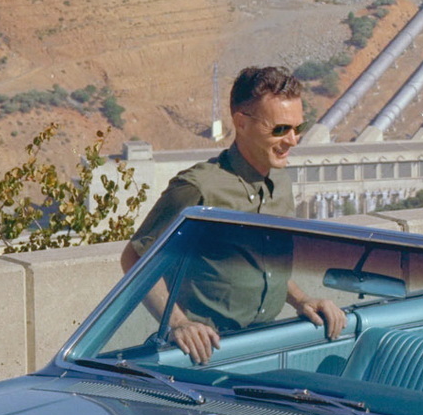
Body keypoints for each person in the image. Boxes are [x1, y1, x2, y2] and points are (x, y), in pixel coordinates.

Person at [119, 66, 345, 364]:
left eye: (297, 128)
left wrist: (302, 300)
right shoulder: (198, 188)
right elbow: (135, 258)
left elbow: (265, 267)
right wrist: (178, 324)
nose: (292, 140)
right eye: (280, 129)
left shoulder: (281, 183)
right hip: (203, 353)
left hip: (264, 345)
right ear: (242, 123)